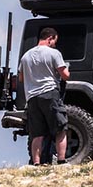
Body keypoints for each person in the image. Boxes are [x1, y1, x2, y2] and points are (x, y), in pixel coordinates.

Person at [19, 26, 70, 165]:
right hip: (49, 93)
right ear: (50, 38)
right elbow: (65, 76)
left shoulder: (26, 56)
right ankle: (61, 160)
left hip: (32, 98)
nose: (55, 44)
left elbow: (21, 78)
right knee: (60, 127)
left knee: (37, 133)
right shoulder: (54, 53)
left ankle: (36, 163)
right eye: (54, 41)